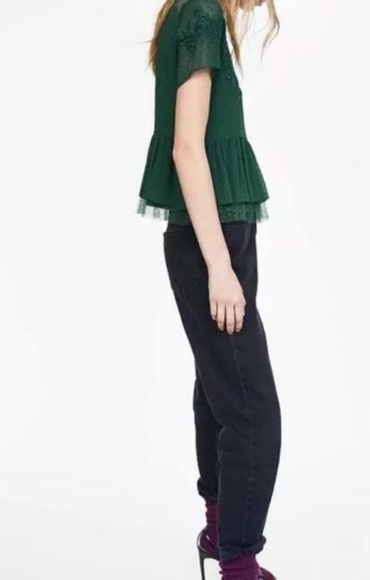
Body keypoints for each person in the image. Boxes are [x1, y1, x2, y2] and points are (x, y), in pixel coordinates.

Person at [136, 1, 282, 578]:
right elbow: (186, 147)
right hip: (210, 239)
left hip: (212, 234)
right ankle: (238, 567)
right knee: (253, 412)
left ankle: (221, 535)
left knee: (221, 395)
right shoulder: (200, 12)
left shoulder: (191, 12)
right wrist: (220, 265)